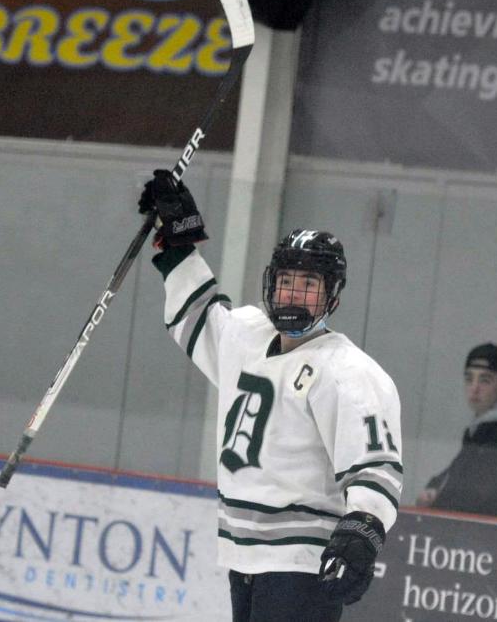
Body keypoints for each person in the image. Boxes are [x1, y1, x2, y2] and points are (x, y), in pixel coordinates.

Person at [138, 170, 403, 622]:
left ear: (332, 297)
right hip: (243, 555)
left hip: (302, 562)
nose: (292, 295)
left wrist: (361, 532)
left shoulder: (349, 373)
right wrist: (179, 235)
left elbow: (375, 468)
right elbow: (196, 320)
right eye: (286, 281)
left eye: (308, 285)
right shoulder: (246, 333)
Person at [416, 343, 497, 519]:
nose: (474, 388)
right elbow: (456, 472)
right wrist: (433, 489)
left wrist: (435, 501)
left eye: (485, 380)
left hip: (482, 540)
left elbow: (478, 495)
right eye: (469, 379)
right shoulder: (484, 428)